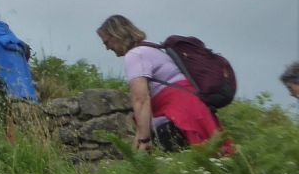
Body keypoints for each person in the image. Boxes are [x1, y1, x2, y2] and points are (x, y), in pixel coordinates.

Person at [97, 14, 230, 152]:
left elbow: (141, 99)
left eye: (107, 42)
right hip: (195, 110)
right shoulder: (153, 49)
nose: (107, 48)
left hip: (180, 115)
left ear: (118, 35)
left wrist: (144, 139)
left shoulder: (135, 55)